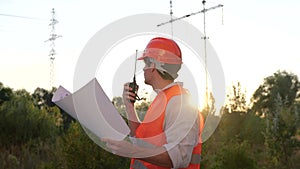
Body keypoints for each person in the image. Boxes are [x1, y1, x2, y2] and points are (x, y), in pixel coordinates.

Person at [102, 37, 204, 169]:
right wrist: (129, 107)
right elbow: (140, 140)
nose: (144, 69)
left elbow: (179, 156)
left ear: (153, 66)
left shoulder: (180, 102)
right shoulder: (163, 100)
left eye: (145, 64)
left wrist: (131, 150)